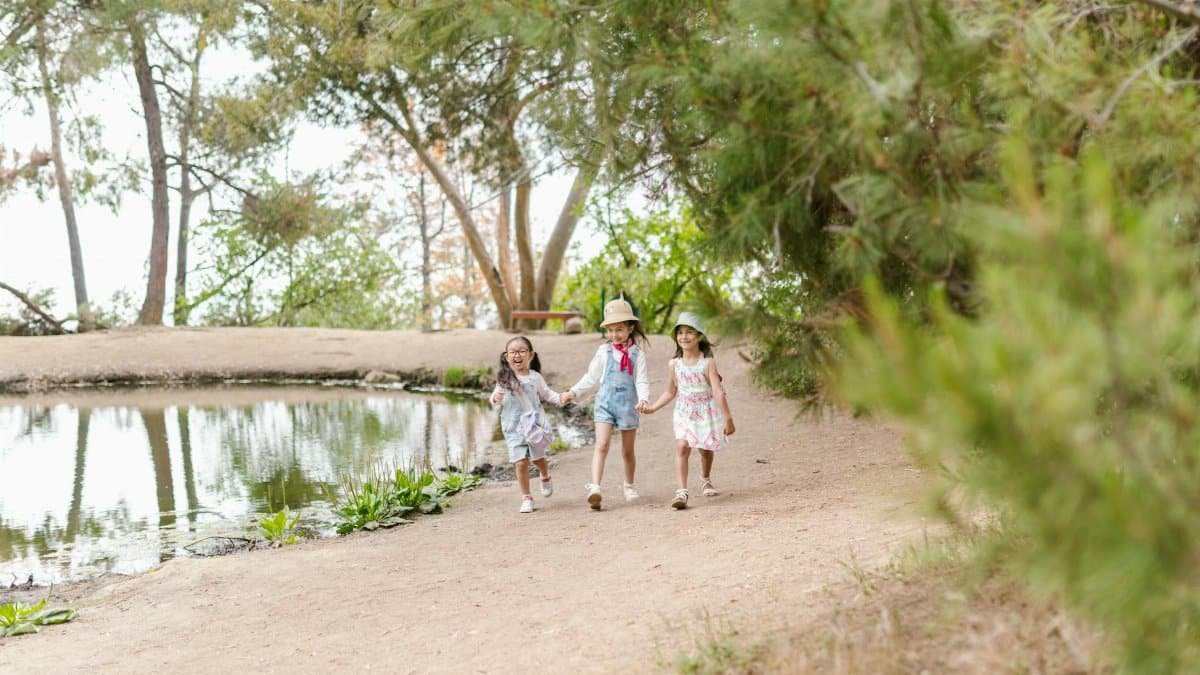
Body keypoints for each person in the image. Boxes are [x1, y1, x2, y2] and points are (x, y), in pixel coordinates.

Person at [563, 298, 651, 510]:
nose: (614, 335)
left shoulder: (637, 354)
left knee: (627, 451)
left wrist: (644, 398)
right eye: (610, 330)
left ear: (630, 328)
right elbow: (591, 377)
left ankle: (629, 486)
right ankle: (595, 488)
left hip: (628, 405)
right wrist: (573, 391)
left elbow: (641, 380)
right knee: (601, 445)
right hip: (605, 403)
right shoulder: (604, 351)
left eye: (619, 329)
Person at [643, 312, 735, 510]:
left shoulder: (707, 363)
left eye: (689, 332)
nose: (684, 336)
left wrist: (728, 418)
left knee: (705, 450)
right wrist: (653, 408)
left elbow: (718, 392)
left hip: (706, 411)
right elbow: (670, 391)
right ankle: (682, 492)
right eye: (680, 333)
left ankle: (705, 478)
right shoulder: (674, 364)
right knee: (682, 446)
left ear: (699, 336)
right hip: (684, 411)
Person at [491, 336, 570, 513]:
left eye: (521, 351)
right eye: (513, 352)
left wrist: (561, 398)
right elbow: (495, 396)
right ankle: (526, 497)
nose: (517, 355)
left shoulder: (535, 377)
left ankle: (545, 474)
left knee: (538, 459)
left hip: (534, 426)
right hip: (513, 427)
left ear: (531, 355)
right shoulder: (504, 379)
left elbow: (548, 394)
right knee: (520, 462)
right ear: (506, 356)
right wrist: (495, 398)